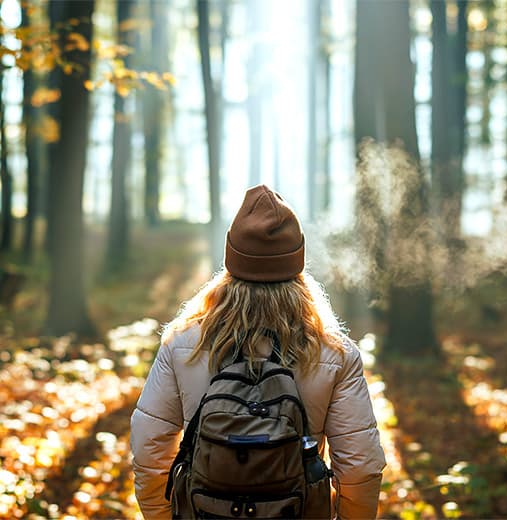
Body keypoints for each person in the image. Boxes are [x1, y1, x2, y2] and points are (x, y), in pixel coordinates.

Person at [130, 184, 386, 519]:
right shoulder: (333, 352)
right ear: (297, 264)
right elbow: (359, 469)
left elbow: (150, 453)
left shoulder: (183, 343)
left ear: (231, 261)